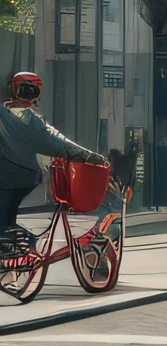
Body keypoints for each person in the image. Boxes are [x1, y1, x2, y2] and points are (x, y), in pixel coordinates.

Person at [0, 73, 107, 246]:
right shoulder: (30, 118)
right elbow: (55, 142)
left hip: (7, 178)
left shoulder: (4, 112)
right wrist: (88, 156)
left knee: (6, 221)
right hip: (22, 177)